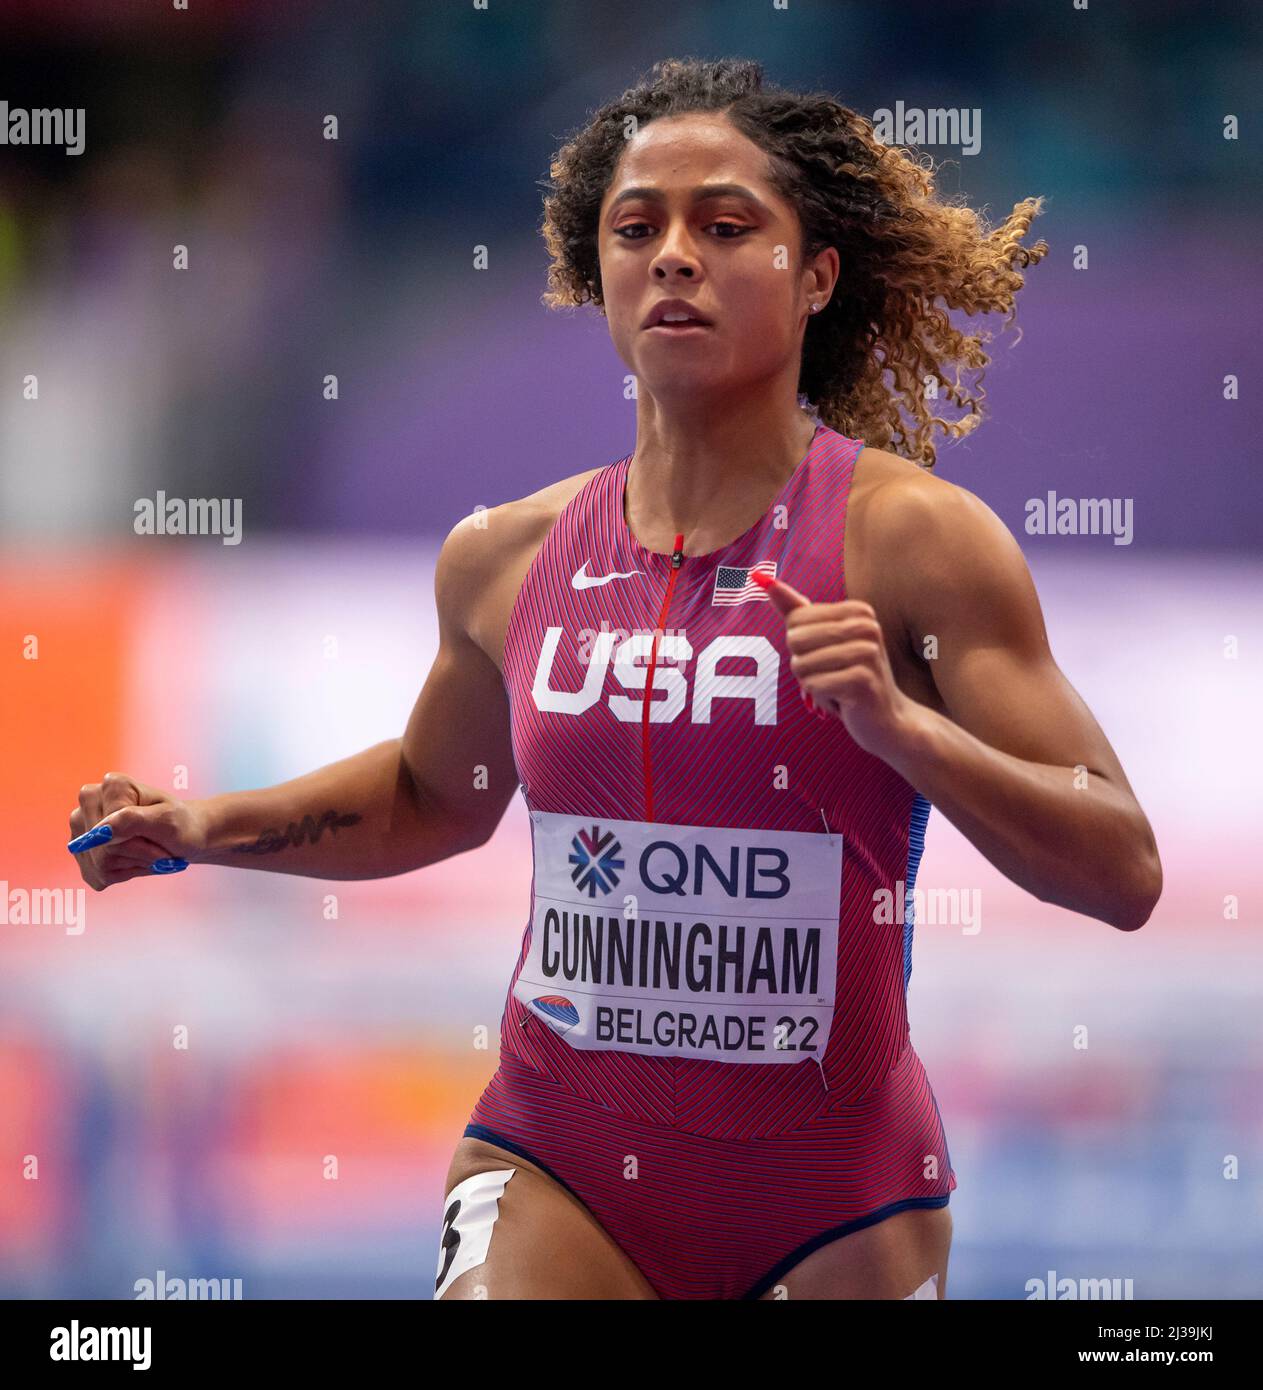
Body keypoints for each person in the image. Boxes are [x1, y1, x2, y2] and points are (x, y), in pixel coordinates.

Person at [68, 57, 1162, 1301]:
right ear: (600, 277)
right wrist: (198, 825)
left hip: (835, 1203)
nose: (676, 254)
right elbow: (435, 797)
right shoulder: (505, 557)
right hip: (560, 1163)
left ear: (817, 276)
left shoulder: (917, 542)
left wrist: (903, 729)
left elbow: (1122, 868)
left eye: (727, 224)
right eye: (637, 228)